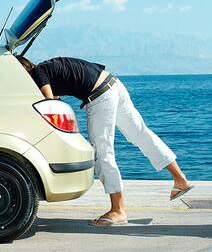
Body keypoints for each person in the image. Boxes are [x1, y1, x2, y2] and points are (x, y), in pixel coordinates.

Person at [17, 55, 193, 226]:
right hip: (113, 84)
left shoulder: (39, 73)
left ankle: (118, 210)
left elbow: (50, 102)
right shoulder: (48, 67)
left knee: (102, 153)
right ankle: (180, 179)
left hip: (100, 96)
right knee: (141, 134)